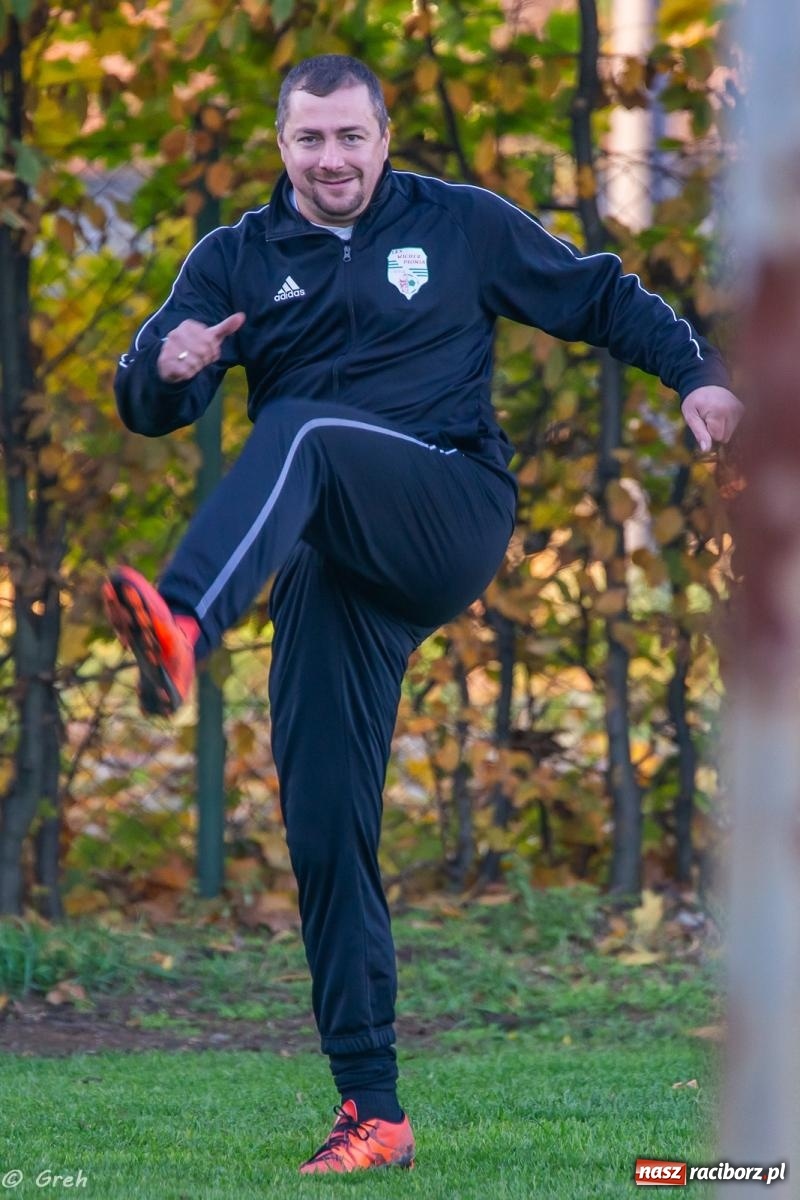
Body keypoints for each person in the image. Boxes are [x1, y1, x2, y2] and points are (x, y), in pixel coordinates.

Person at [104, 54, 742, 1175]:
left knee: (297, 423)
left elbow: (594, 293)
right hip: (332, 561)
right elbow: (152, 396)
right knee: (322, 825)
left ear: (383, 137)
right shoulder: (236, 259)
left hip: (446, 506)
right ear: (282, 146)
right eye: (310, 142)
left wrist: (692, 373)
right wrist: (170, 363)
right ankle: (373, 1112)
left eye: (350, 138)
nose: (331, 160)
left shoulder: (457, 225)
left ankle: (186, 621)